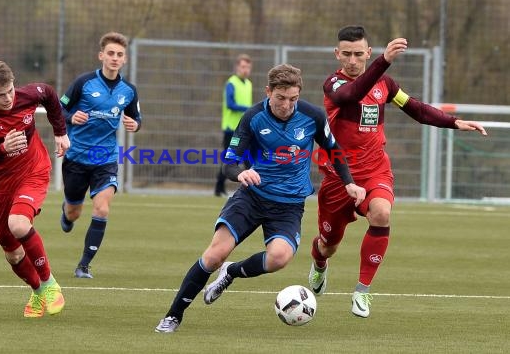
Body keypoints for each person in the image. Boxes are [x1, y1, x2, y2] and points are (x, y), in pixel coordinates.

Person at [155, 64, 367, 333]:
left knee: (279, 258)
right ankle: (173, 315)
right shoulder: (253, 117)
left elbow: (334, 150)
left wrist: (349, 183)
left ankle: (231, 273)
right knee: (213, 256)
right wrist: (241, 174)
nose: (286, 105)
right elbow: (230, 162)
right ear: (268, 92)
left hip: (289, 204)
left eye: (293, 99)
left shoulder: (312, 116)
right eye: (280, 98)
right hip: (251, 198)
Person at [308, 25, 488, 318]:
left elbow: (415, 108)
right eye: (346, 54)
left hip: (376, 170)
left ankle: (362, 291)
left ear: (367, 53)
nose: (352, 61)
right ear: (337, 54)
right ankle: (319, 265)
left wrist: (454, 122)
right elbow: (351, 95)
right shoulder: (333, 85)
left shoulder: (386, 85)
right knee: (328, 245)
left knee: (381, 213)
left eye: (358, 54)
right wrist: (384, 61)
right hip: (339, 178)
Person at [0, 60, 70, 318]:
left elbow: (50, 94)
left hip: (33, 170)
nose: (9, 98)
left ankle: (49, 284)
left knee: (19, 224)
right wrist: (2, 149)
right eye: (1, 94)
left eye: (11, 90)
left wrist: (60, 132)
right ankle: (37, 291)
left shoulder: (28, 96)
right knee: (12, 253)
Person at [59, 32, 141, 279]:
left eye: (119, 55)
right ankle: (67, 213)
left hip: (104, 159)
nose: (115, 58)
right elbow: (59, 109)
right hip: (76, 157)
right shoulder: (83, 83)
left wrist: (134, 125)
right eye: (111, 54)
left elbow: (136, 118)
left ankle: (83, 265)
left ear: (124, 59)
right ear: (101, 56)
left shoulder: (129, 91)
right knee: (74, 211)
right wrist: (71, 117)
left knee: (102, 209)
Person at [214, 54, 253, 197]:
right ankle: (219, 188)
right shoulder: (231, 83)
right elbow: (230, 104)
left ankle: (252, 188)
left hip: (245, 129)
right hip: (231, 129)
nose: (246, 70)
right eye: (243, 67)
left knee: (249, 158)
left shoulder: (249, 84)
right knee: (230, 159)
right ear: (237, 67)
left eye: (248, 67)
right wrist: (248, 108)